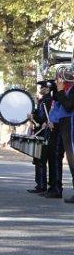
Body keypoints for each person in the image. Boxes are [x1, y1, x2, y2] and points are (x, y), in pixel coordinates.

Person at [50, 72, 74, 203]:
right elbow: (58, 99)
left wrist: (60, 91)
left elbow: (69, 105)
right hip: (66, 124)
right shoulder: (68, 88)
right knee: (71, 160)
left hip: (71, 124)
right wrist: (58, 89)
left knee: (73, 157)